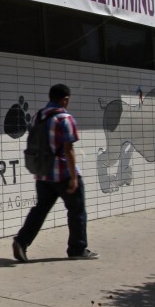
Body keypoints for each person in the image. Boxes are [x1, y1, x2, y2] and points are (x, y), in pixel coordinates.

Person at [12, 84, 99, 262]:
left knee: (40, 210)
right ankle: (77, 249)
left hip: (43, 174)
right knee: (77, 211)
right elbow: (69, 149)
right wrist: (74, 177)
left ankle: (21, 241)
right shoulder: (65, 118)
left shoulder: (37, 117)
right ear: (65, 99)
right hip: (63, 174)